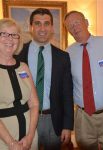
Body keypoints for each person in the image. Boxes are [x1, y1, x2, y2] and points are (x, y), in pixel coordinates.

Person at [16, 8, 74, 150]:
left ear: (52, 27)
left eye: (46, 23)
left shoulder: (63, 57)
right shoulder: (17, 54)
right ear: (31, 27)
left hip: (53, 121)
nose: (42, 28)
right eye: (37, 23)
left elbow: (67, 94)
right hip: (26, 118)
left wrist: (67, 126)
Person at [64, 10, 103, 150]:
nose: (74, 27)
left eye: (77, 22)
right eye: (70, 26)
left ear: (86, 22)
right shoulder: (67, 53)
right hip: (83, 117)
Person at [0, 18, 39, 150]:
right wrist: (11, 143)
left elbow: (34, 103)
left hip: (29, 137)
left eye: (14, 35)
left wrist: (31, 135)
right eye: (4, 34)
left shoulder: (23, 67)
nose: (10, 39)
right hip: (4, 140)